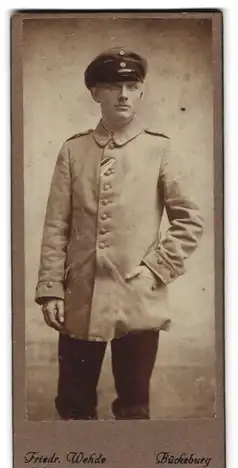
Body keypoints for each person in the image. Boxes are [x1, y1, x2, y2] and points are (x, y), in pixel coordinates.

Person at [35, 47, 204, 420]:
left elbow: (189, 220)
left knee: (133, 407)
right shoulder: (73, 150)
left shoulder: (160, 149)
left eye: (131, 85)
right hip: (80, 299)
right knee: (73, 405)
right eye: (113, 86)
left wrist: (154, 270)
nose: (123, 94)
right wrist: (50, 289)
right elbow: (56, 225)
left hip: (138, 298)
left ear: (141, 91)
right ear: (95, 93)